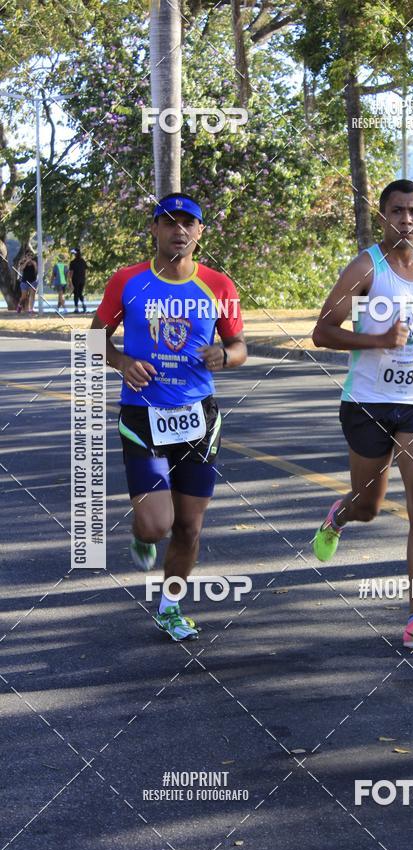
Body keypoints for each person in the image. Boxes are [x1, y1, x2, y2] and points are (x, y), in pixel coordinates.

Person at [91, 192, 247, 641]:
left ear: (200, 232)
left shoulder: (219, 285)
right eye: (169, 222)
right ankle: (142, 533)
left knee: (189, 526)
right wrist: (122, 362)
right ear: (154, 229)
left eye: (188, 223)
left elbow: (240, 346)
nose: (179, 231)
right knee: (156, 524)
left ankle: (170, 606)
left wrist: (226, 356)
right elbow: (95, 339)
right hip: (143, 414)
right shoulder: (127, 281)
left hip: (199, 416)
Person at [311, 179, 413, 653]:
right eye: (398, 211)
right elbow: (322, 331)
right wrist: (377, 341)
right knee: (369, 507)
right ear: (383, 217)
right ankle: (340, 515)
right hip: (368, 401)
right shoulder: (366, 267)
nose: (407, 220)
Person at [69, 248, 88, 313]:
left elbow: (71, 272)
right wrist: (85, 279)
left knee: (76, 294)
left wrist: (70, 281)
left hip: (75, 280)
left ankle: (76, 308)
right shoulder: (83, 261)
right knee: (80, 293)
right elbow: (86, 271)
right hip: (82, 280)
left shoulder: (73, 262)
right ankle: (83, 304)